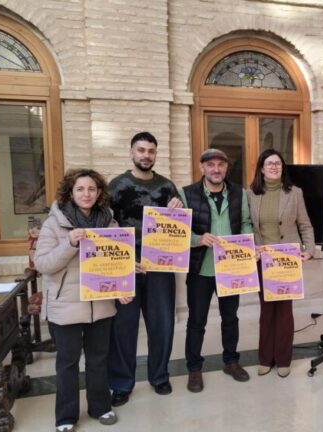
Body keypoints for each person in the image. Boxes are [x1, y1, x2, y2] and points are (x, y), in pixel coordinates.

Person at [35, 169, 132, 432]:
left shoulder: (109, 223)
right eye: (80, 189)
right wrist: (69, 243)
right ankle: (66, 417)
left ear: (99, 192)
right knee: (67, 363)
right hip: (65, 306)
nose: (86, 194)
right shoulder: (54, 224)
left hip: (100, 305)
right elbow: (43, 264)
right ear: (70, 192)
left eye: (91, 189)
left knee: (98, 359)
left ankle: (100, 407)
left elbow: (115, 263)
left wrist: (122, 287)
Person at [106, 132, 183, 406]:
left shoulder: (167, 187)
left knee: (162, 323)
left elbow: (180, 227)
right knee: (123, 326)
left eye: (151, 151)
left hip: (160, 264)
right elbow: (104, 226)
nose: (146, 155)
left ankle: (159, 376)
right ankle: (121, 384)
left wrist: (178, 210)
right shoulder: (116, 186)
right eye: (141, 150)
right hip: (126, 264)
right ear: (131, 152)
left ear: (155, 154)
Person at [180, 148, 253, 391]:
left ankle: (231, 362)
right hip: (200, 269)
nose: (216, 169)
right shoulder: (186, 193)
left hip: (230, 268)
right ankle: (194, 369)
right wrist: (197, 239)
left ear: (226, 168)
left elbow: (245, 222)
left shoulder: (238, 192)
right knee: (196, 321)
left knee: (230, 318)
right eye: (210, 165)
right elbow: (178, 230)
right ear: (202, 168)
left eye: (221, 164)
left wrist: (245, 242)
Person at [247, 149, 315, 378]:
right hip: (263, 259)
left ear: (282, 167)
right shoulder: (250, 194)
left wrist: (309, 250)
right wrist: (250, 247)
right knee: (267, 311)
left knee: (285, 311)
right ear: (261, 168)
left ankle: (284, 359)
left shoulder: (295, 193)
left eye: (278, 163)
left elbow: (305, 224)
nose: (274, 167)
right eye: (269, 163)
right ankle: (265, 358)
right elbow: (246, 224)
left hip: (287, 260)